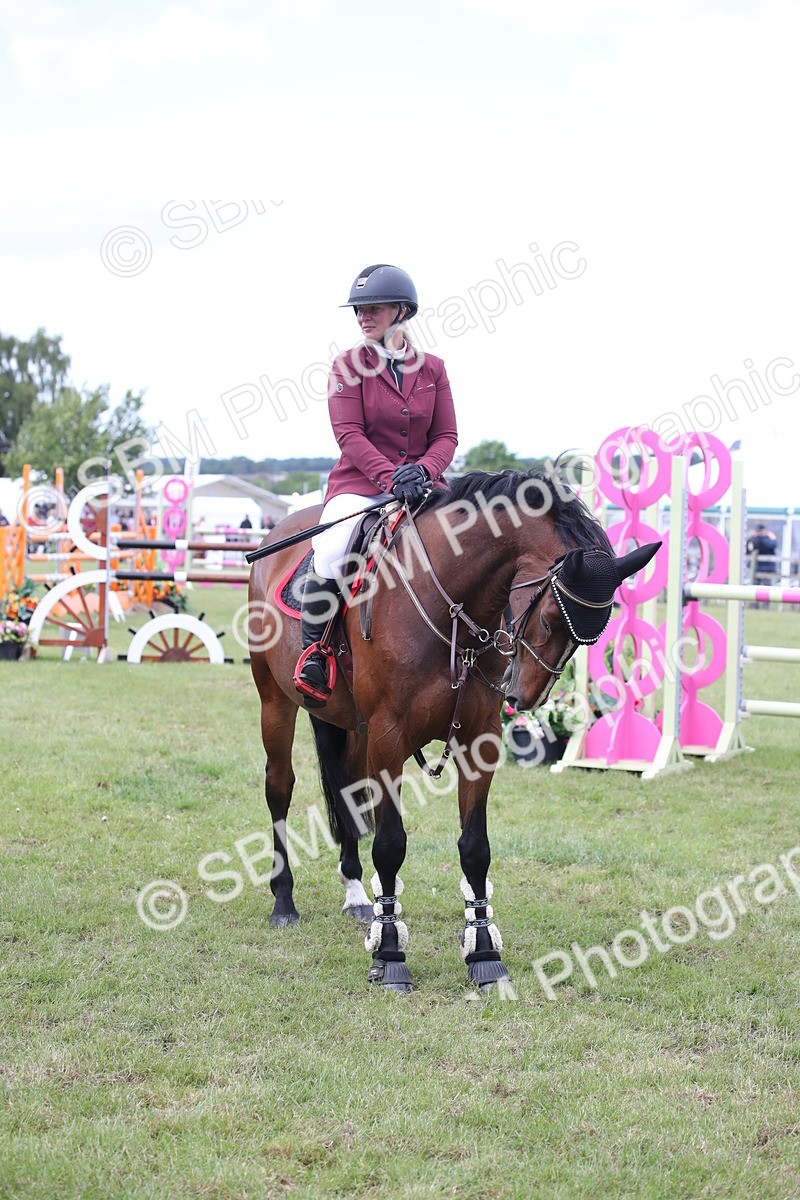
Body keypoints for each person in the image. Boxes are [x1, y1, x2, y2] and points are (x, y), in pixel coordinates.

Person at [294, 263, 458, 707]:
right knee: (329, 548)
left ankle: (484, 654)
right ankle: (317, 652)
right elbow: (350, 435)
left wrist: (421, 472)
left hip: (424, 485)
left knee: (473, 543)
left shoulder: (435, 370)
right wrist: (391, 478)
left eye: (374, 308)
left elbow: (447, 437)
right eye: (359, 310)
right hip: (361, 486)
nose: (364, 317)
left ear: (402, 311)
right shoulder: (346, 366)